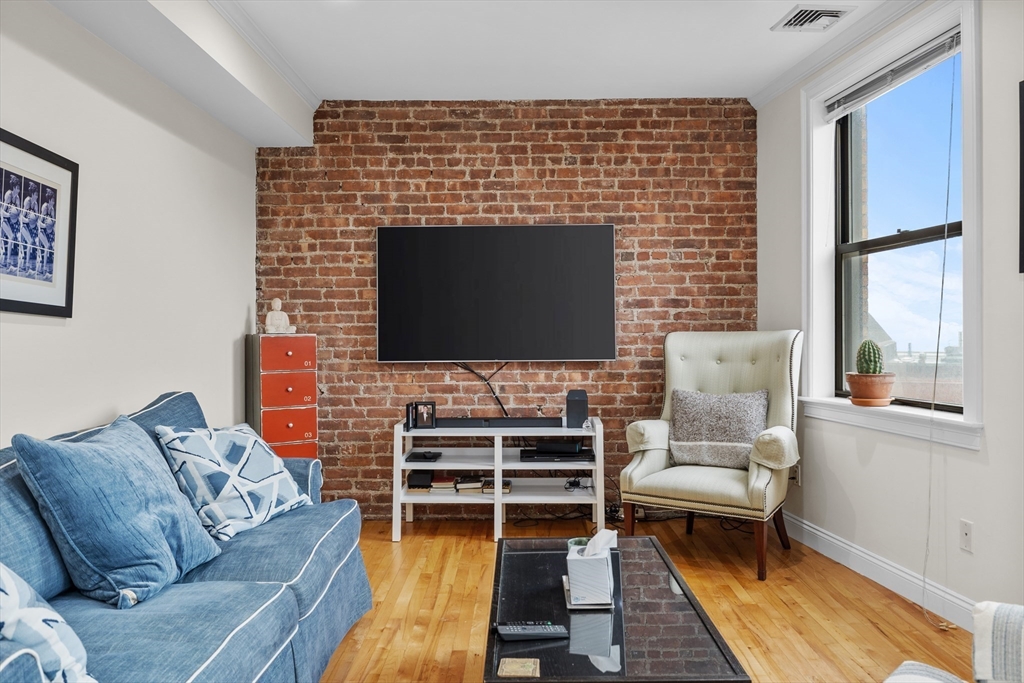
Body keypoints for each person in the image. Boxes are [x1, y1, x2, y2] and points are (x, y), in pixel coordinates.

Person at [18, 181, 39, 274]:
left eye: (38, 194)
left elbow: (37, 218)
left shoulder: (36, 204)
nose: (37, 196)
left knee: (32, 243)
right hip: (23, 224)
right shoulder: (27, 201)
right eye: (36, 194)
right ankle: (26, 266)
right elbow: (22, 216)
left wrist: (34, 220)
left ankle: (25, 266)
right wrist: (28, 220)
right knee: (28, 242)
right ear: (32, 194)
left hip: (31, 226)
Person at [1, 175, 20, 271]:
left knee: (12, 238)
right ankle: (7, 263)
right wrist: (9, 215)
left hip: (11, 221)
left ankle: (7, 263)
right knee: (10, 237)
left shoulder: (17, 198)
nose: (19, 190)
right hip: (4, 219)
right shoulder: (8, 195)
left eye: (19, 188)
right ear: (13, 187)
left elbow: (19, 212)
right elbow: (2, 212)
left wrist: (15, 215)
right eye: (17, 188)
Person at [36, 188, 55, 277]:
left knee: (53, 246)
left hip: (49, 232)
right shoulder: (45, 207)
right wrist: (45, 226)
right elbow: (39, 222)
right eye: (53, 200)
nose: (54, 202)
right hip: (41, 230)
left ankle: (48, 269)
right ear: (49, 199)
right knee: (47, 246)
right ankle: (43, 269)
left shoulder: (52, 210)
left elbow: (54, 224)